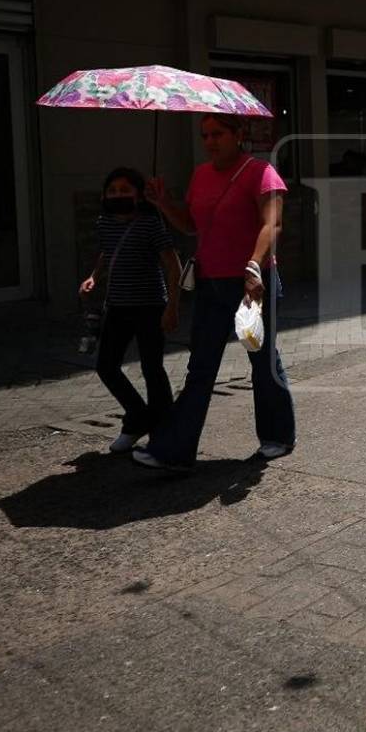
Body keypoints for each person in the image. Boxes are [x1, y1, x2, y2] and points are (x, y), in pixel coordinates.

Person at [135, 113, 294, 471]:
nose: (210, 141)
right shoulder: (201, 175)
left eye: (218, 134)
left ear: (238, 135)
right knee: (201, 368)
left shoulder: (260, 172)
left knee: (263, 361)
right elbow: (191, 225)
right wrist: (163, 203)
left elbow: (273, 223)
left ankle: (278, 436)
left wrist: (254, 264)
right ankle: (172, 450)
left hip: (254, 282)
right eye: (205, 135)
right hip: (210, 283)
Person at [80, 167, 180, 453]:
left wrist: (172, 307)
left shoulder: (151, 223)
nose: (118, 195)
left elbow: (172, 264)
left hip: (150, 306)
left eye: (125, 190)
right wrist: (94, 277)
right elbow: (107, 252)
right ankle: (138, 418)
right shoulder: (104, 223)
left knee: (152, 369)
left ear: (138, 194)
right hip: (117, 307)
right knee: (106, 366)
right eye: (112, 190)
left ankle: (165, 430)